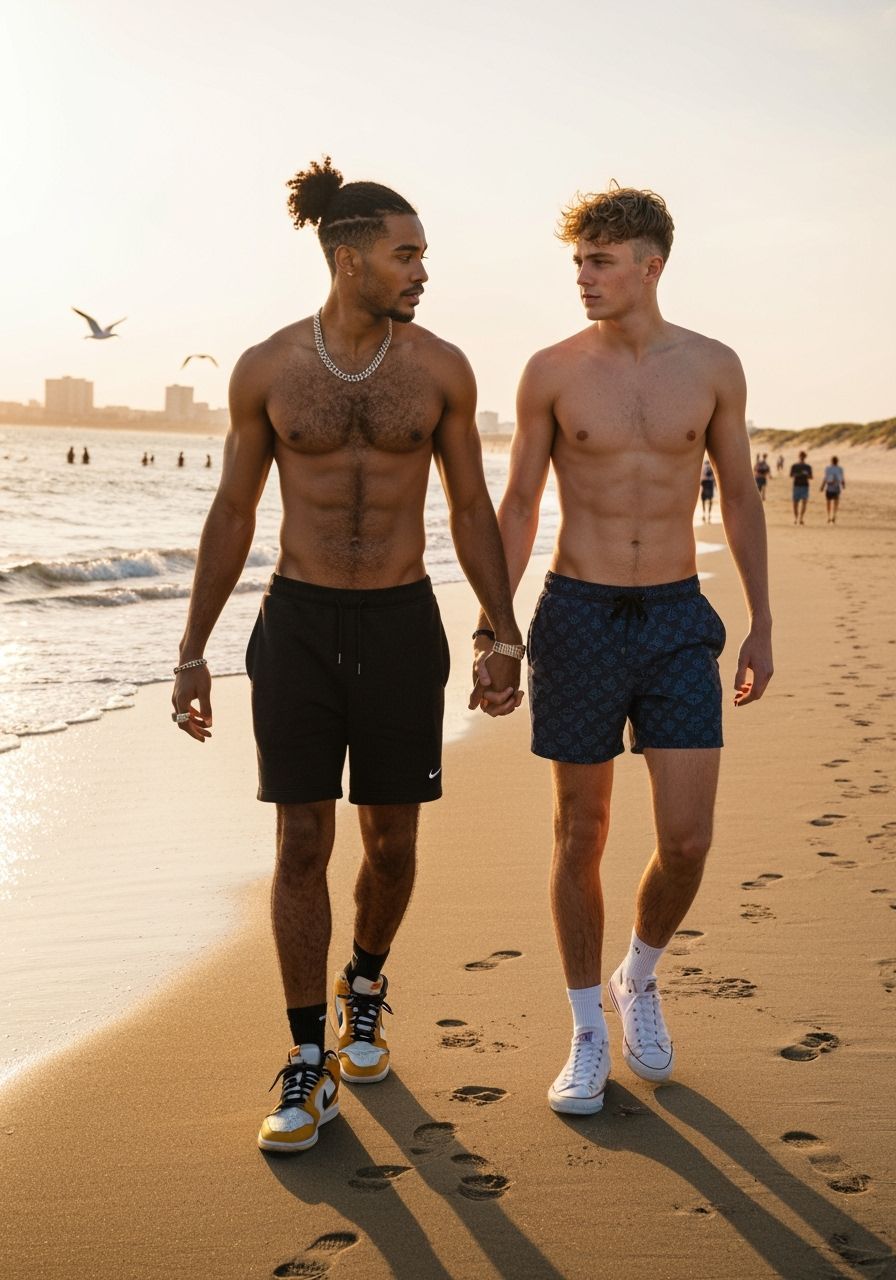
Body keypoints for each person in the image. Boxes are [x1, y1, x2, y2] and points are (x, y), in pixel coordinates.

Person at [172, 156, 523, 1155]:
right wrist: (191, 648)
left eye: (421, 255)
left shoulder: (441, 368)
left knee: (392, 844)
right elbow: (234, 510)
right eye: (405, 253)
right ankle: (303, 1055)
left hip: (402, 623)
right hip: (299, 627)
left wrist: (501, 628)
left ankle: (363, 982)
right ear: (348, 255)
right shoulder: (268, 367)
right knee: (298, 843)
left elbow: (463, 505)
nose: (420, 270)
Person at [477, 184, 772, 1115]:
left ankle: (636, 976)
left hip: (680, 615)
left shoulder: (714, 367)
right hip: (579, 613)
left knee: (686, 839)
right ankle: (585, 1030)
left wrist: (762, 620)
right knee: (582, 832)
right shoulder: (552, 372)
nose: (583, 278)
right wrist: (498, 623)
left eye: (600, 261)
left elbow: (741, 495)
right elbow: (519, 503)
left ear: (652, 264)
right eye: (577, 262)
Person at [821, 454, 845, 523]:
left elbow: (825, 478)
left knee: (830, 503)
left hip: (831, 487)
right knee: (835, 503)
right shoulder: (838, 468)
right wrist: (843, 485)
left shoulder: (829, 468)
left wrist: (822, 486)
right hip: (835, 487)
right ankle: (833, 515)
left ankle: (830, 516)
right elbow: (842, 478)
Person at [789, 450, 813, 524]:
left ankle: (801, 518)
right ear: (799, 457)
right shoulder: (794, 466)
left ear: (804, 457)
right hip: (797, 485)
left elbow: (811, 477)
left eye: (803, 456)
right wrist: (799, 474)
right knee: (795, 503)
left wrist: (806, 474)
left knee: (804, 503)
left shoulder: (808, 467)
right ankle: (796, 518)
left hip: (804, 485)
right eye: (801, 456)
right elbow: (791, 475)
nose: (802, 457)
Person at [699, 457, 716, 522]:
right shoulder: (711, 466)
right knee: (710, 500)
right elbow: (714, 477)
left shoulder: (702, 466)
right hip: (710, 484)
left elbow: (700, 477)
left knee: (703, 500)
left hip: (704, 483)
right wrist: (715, 486)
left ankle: (704, 514)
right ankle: (709, 514)